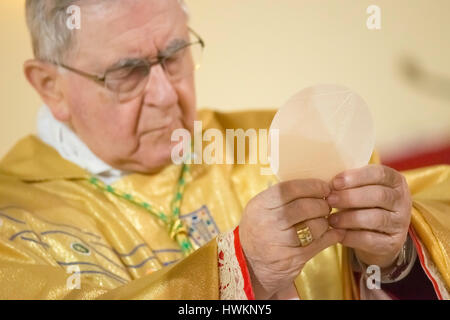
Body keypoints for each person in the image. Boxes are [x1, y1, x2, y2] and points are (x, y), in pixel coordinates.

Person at [0, 0, 448, 300]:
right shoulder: (14, 226)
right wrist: (240, 270)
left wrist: (394, 256)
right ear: (50, 86)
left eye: (174, 56)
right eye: (128, 72)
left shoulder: (289, 143)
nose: (165, 94)